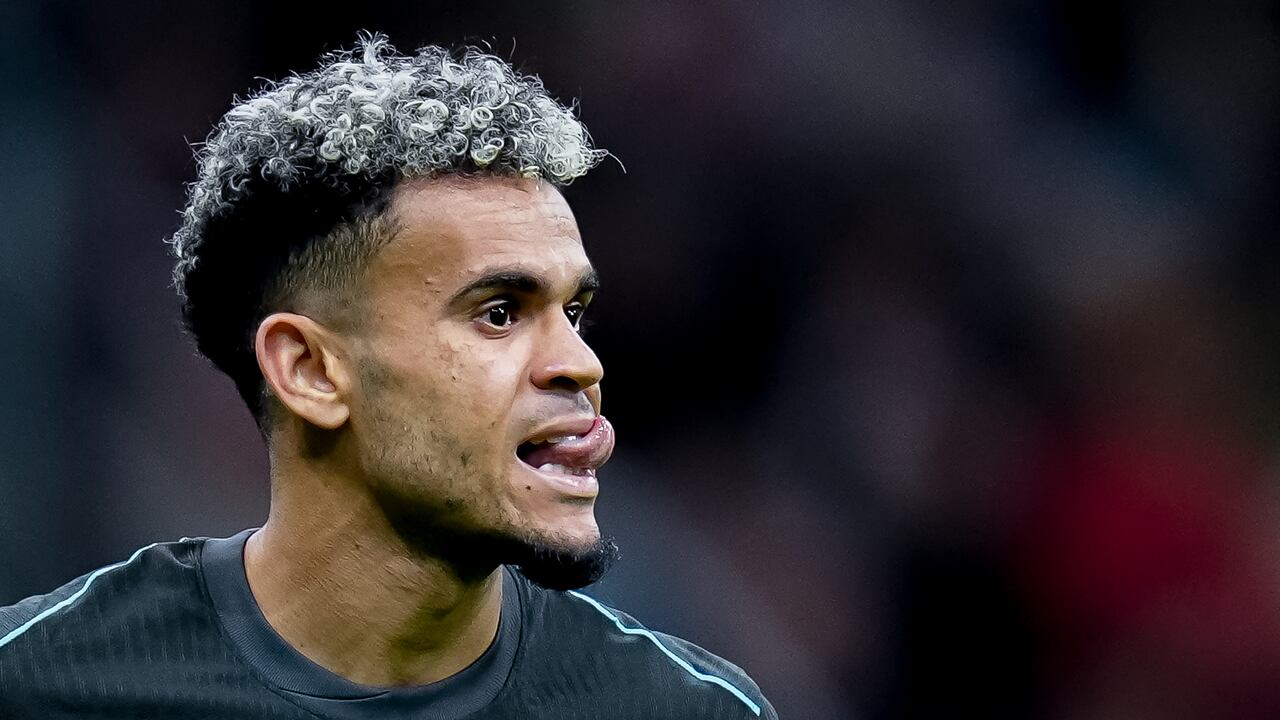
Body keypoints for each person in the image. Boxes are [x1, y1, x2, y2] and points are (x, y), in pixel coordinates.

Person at [0, 34, 775, 719]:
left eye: (574, 311)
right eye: (500, 312)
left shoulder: (689, 709)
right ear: (309, 370)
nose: (580, 363)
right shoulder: (37, 681)